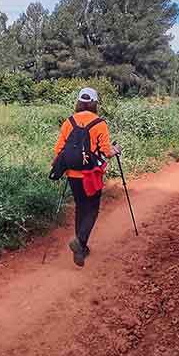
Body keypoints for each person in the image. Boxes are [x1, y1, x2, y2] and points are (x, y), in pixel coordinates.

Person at [53, 88, 121, 267]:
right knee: (92, 209)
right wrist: (116, 150)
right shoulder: (99, 123)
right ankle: (80, 242)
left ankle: (81, 248)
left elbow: (59, 148)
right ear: (94, 103)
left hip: (72, 174)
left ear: (79, 102)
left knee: (80, 207)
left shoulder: (69, 121)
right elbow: (106, 152)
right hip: (91, 174)